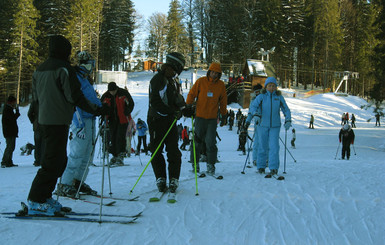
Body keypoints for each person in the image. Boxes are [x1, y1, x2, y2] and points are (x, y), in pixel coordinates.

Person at [27, 35, 107, 216]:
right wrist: (97, 109)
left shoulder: (40, 68)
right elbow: (75, 96)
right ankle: (36, 199)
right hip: (56, 120)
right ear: (65, 50)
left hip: (46, 120)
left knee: (57, 160)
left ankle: (44, 197)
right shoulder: (64, 69)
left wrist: (34, 116)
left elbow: (35, 97)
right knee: (52, 162)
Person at [56, 51, 102, 197]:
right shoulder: (75, 78)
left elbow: (91, 99)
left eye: (92, 64)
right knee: (77, 153)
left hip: (91, 120)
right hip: (81, 121)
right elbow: (74, 102)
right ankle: (65, 183)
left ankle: (78, 181)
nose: (91, 67)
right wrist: (79, 124)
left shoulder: (86, 79)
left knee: (88, 154)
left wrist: (101, 108)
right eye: (89, 64)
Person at [147, 52, 192, 193]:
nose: (177, 72)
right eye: (178, 68)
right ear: (173, 65)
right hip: (157, 120)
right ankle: (160, 177)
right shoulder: (158, 80)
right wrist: (171, 112)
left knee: (173, 151)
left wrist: (186, 109)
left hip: (170, 121)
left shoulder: (173, 81)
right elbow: (155, 102)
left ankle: (173, 178)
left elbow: (178, 100)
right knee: (156, 150)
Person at [186, 62, 227, 175]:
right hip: (200, 117)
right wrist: (187, 105)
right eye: (212, 72)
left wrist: (224, 115)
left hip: (212, 119)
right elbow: (192, 93)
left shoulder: (221, 85)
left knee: (210, 143)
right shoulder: (201, 82)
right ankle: (195, 163)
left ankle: (211, 165)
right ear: (209, 72)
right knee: (197, 142)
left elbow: (223, 101)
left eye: (217, 73)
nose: (214, 74)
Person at [245, 77, 291, 175]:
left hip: (275, 126)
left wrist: (288, 120)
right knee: (262, 146)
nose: (271, 88)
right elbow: (253, 107)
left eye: (273, 86)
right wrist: (256, 114)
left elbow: (286, 109)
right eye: (269, 86)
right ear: (266, 86)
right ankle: (261, 166)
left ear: (276, 87)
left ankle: (273, 167)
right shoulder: (261, 96)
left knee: (274, 147)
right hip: (262, 125)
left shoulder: (279, 97)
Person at [101, 82, 134, 166]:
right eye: (111, 91)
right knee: (113, 137)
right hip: (111, 120)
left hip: (123, 119)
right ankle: (115, 155)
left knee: (120, 136)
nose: (112, 93)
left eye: (114, 91)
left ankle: (121, 155)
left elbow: (131, 103)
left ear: (116, 89)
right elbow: (101, 106)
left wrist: (128, 110)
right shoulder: (106, 96)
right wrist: (103, 114)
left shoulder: (123, 93)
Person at [244, 84, 263, 166]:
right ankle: (255, 159)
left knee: (266, 142)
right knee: (257, 142)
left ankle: (265, 159)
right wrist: (247, 121)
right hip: (258, 124)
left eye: (258, 91)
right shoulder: (253, 100)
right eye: (255, 91)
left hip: (267, 123)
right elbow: (250, 112)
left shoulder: (265, 98)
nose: (257, 93)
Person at [1, 95, 20, 168]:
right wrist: (17, 113)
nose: (14, 103)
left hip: (10, 131)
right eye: (14, 102)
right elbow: (12, 120)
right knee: (9, 147)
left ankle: (9, 161)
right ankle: (4, 161)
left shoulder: (8, 109)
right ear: (11, 102)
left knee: (11, 147)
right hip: (9, 132)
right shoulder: (8, 109)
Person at [28, 100, 44, 166]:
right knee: (44, 144)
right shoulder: (45, 100)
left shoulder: (34, 103)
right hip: (44, 125)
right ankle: (43, 160)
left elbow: (29, 114)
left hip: (37, 126)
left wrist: (33, 121)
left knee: (37, 144)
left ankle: (37, 160)